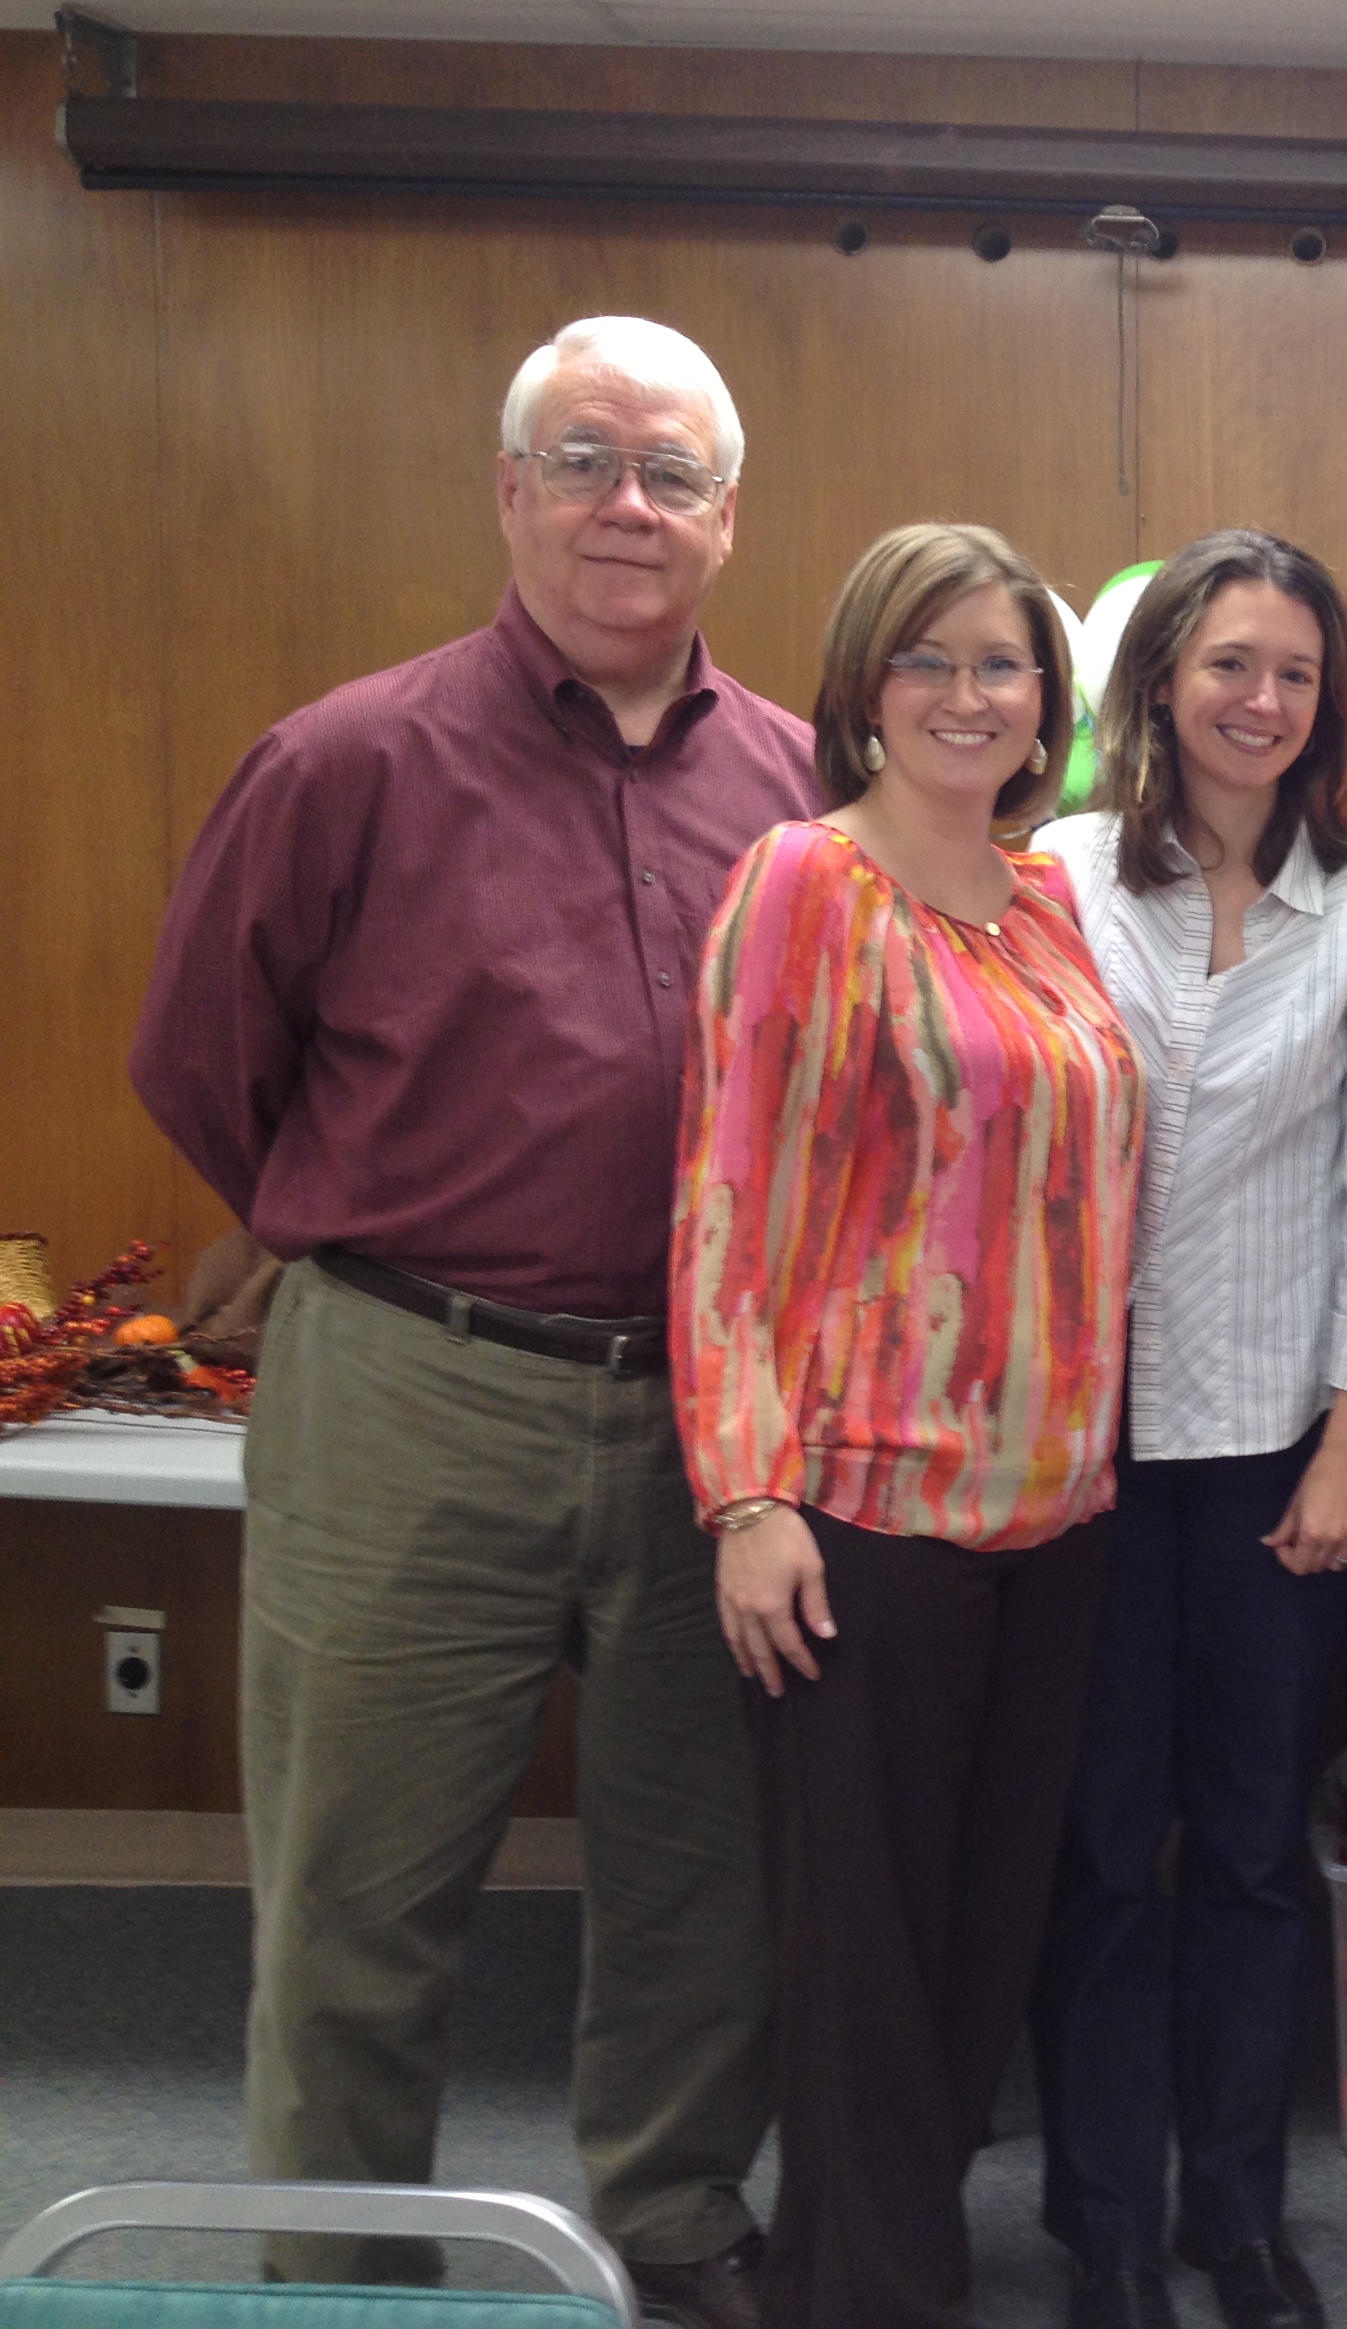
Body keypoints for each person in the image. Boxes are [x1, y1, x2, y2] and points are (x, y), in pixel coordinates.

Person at [128, 315, 804, 2320]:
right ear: (509, 493)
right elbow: (199, 1061)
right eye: (583, 458)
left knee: (705, 1879)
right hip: (410, 1388)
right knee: (362, 1887)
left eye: (669, 472)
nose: (626, 504)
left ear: (727, 520)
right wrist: (375, 1227)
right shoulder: (348, 759)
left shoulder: (799, 784)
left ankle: (677, 2228)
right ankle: (331, 2267)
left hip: (711, 1412)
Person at [672, 522, 1145, 2329]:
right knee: (861, 1960)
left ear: (1048, 707)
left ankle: (878, 2258)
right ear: (865, 687)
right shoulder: (803, 880)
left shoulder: (1049, 902)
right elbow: (726, 1198)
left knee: (975, 1942)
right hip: (858, 1514)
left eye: (1004, 664)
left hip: (1057, 1513)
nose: (969, 694)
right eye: (930, 659)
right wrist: (748, 1496)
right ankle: (864, 2293)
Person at [1027, 531, 1347, 2329]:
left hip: (1278, 1448)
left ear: (1324, 701)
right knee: (1104, 1845)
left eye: (1294, 671)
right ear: (1161, 685)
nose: (1260, 700)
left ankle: (1240, 2214)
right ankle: (1108, 2215)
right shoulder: (1049, 881)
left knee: (1256, 1844)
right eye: (1228, 665)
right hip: (1078, 1453)